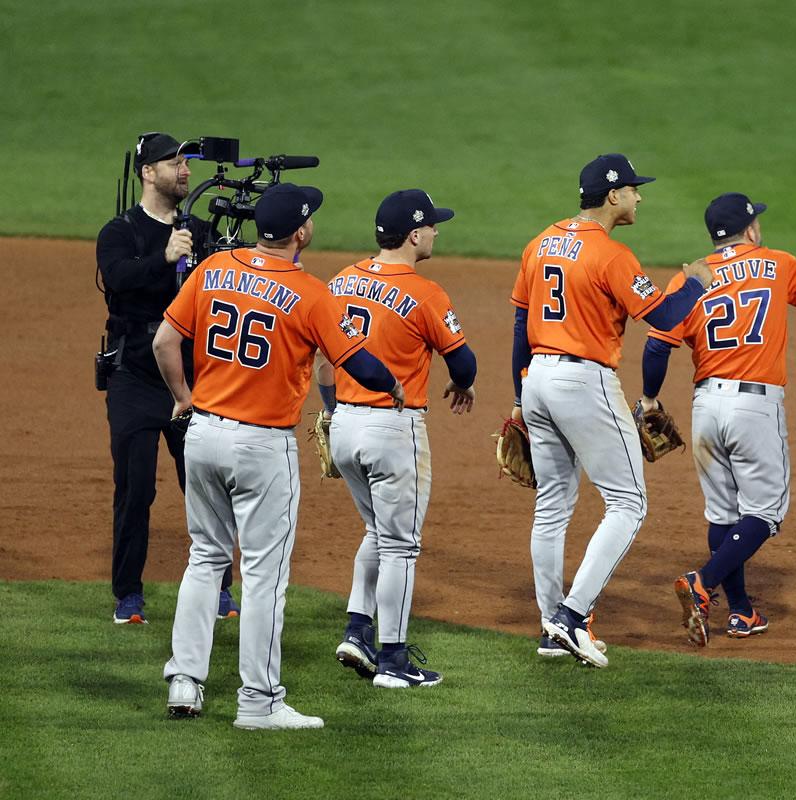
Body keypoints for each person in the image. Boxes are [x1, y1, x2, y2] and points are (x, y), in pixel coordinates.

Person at [153, 183, 404, 730]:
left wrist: (183, 399)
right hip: (261, 447)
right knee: (264, 575)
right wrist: (395, 387)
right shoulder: (312, 293)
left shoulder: (213, 268)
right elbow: (357, 365)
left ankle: (185, 680)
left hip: (202, 434)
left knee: (205, 558)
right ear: (300, 232)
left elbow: (164, 343)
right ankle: (260, 703)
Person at [641, 193, 796, 647]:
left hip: (706, 407)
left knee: (722, 512)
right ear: (751, 230)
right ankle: (703, 582)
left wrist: (649, 400)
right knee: (766, 512)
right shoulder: (776, 263)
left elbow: (658, 345)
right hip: (754, 407)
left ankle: (741, 612)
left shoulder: (689, 278)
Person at [510, 153, 714, 668]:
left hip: (537, 379)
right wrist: (693, 281)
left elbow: (519, 325)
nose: (639, 197)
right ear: (612, 195)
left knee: (552, 506)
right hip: (583, 381)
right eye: (633, 189)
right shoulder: (610, 254)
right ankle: (572, 617)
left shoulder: (539, 243)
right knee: (628, 503)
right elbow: (664, 315)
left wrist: (519, 397)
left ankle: (549, 624)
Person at [319, 189, 477, 689]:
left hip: (343, 423)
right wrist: (464, 383)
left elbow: (324, 363)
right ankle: (392, 662)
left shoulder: (340, 281)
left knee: (377, 533)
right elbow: (464, 363)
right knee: (402, 547)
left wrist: (333, 414)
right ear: (413, 235)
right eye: (432, 225)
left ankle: (357, 630)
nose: (436, 231)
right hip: (392, 428)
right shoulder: (426, 293)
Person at [96, 131, 237, 624]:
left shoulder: (197, 230)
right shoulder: (120, 232)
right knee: (136, 489)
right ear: (147, 172)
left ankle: (220, 588)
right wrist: (165, 259)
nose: (184, 170)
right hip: (133, 376)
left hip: (189, 375)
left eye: (185, 162)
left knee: (202, 485)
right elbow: (119, 279)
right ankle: (128, 595)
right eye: (173, 162)